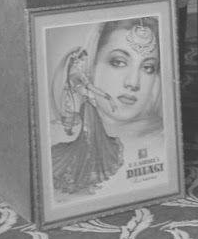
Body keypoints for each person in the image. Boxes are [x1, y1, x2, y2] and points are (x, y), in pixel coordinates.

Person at [51, 17, 163, 196]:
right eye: (118, 62)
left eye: (148, 67)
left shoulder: (164, 137)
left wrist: (104, 97)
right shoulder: (78, 79)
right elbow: (85, 89)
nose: (133, 83)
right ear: (93, 64)